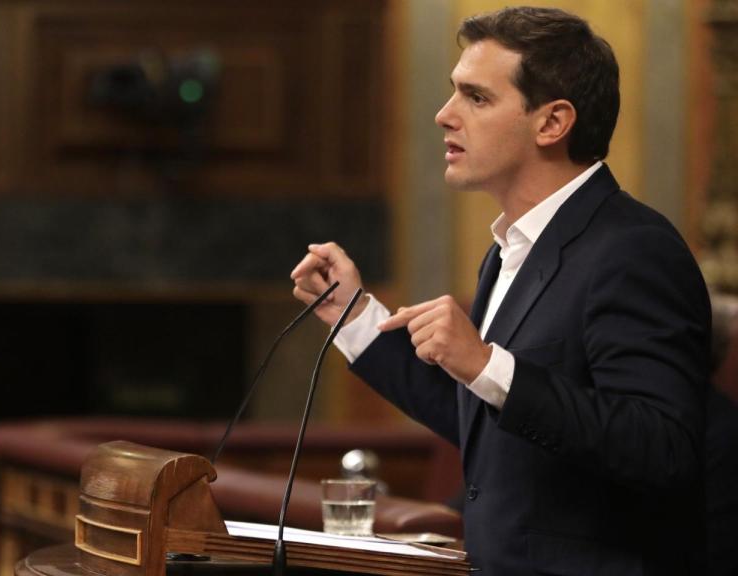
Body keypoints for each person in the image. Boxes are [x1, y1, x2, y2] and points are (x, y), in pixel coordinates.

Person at [291, 7, 710, 575]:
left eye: (476, 98)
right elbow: (488, 420)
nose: (444, 115)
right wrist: (354, 314)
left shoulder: (634, 249)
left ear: (552, 122)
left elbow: (660, 447)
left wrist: (489, 364)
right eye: (451, 94)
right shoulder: (510, 249)